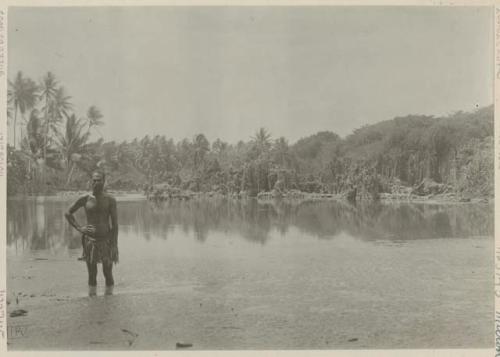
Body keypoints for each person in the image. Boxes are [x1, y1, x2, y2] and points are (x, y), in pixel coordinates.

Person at [65, 170, 119, 296]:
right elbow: (68, 213)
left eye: (99, 180)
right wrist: (79, 228)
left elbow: (115, 224)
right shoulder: (85, 198)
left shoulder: (110, 200)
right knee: (92, 274)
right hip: (90, 241)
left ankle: (109, 300)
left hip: (106, 240)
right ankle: (92, 302)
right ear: (91, 181)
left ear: (104, 181)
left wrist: (114, 244)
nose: (96, 182)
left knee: (108, 272)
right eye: (94, 180)